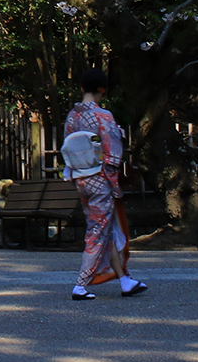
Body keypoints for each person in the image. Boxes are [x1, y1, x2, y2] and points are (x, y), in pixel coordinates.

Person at [61, 68, 145, 301]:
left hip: (81, 177)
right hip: (100, 179)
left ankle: (125, 280)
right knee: (97, 231)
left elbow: (67, 147)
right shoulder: (103, 116)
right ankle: (80, 284)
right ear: (102, 90)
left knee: (105, 228)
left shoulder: (72, 116)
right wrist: (114, 182)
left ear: (81, 88)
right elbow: (112, 151)